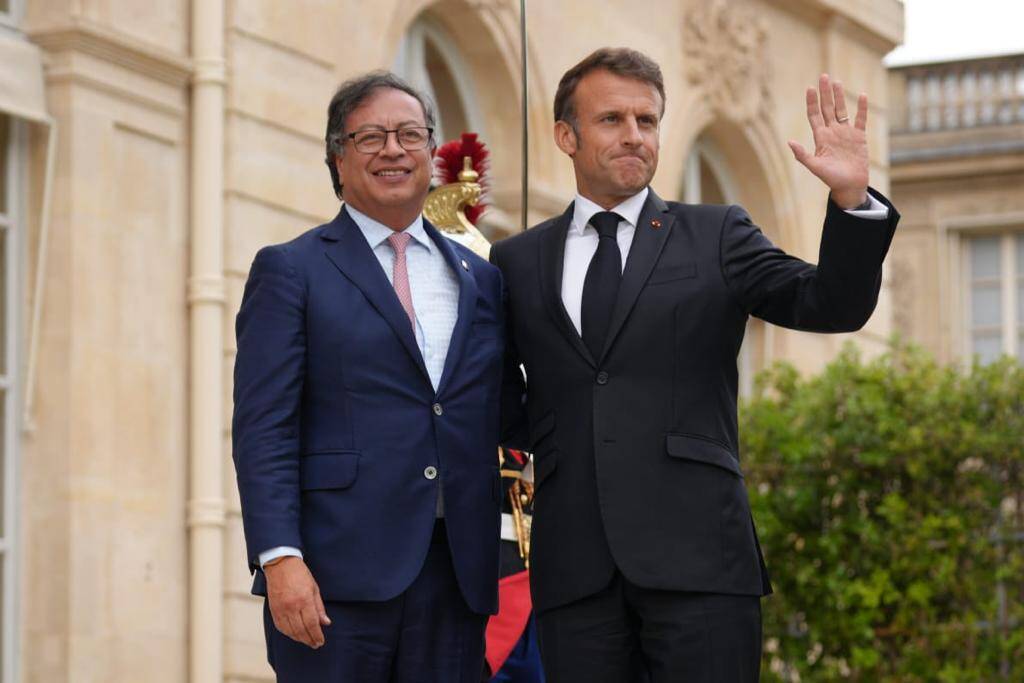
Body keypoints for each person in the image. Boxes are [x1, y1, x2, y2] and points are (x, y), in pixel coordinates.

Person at [489, 47, 899, 682]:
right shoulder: (515, 261)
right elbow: (503, 403)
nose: (634, 136)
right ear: (565, 135)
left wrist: (850, 200)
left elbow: (831, 304)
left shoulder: (716, 234)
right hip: (575, 572)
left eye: (647, 121)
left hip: (701, 564)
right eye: (612, 120)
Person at [232, 71, 505, 682]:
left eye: (410, 134)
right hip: (334, 582)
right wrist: (280, 559)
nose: (393, 150)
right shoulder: (291, 270)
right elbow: (264, 429)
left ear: (431, 152)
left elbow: (498, 407)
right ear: (338, 156)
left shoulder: (480, 276)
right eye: (371, 136)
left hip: (457, 577)